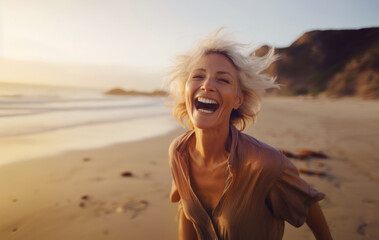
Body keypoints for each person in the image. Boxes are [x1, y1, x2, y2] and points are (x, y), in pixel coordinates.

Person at [167, 29, 333, 240]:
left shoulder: (265, 163)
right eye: (198, 76)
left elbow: (308, 205)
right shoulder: (178, 152)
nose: (207, 85)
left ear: (238, 99)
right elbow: (186, 211)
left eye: (223, 80)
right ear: (185, 90)